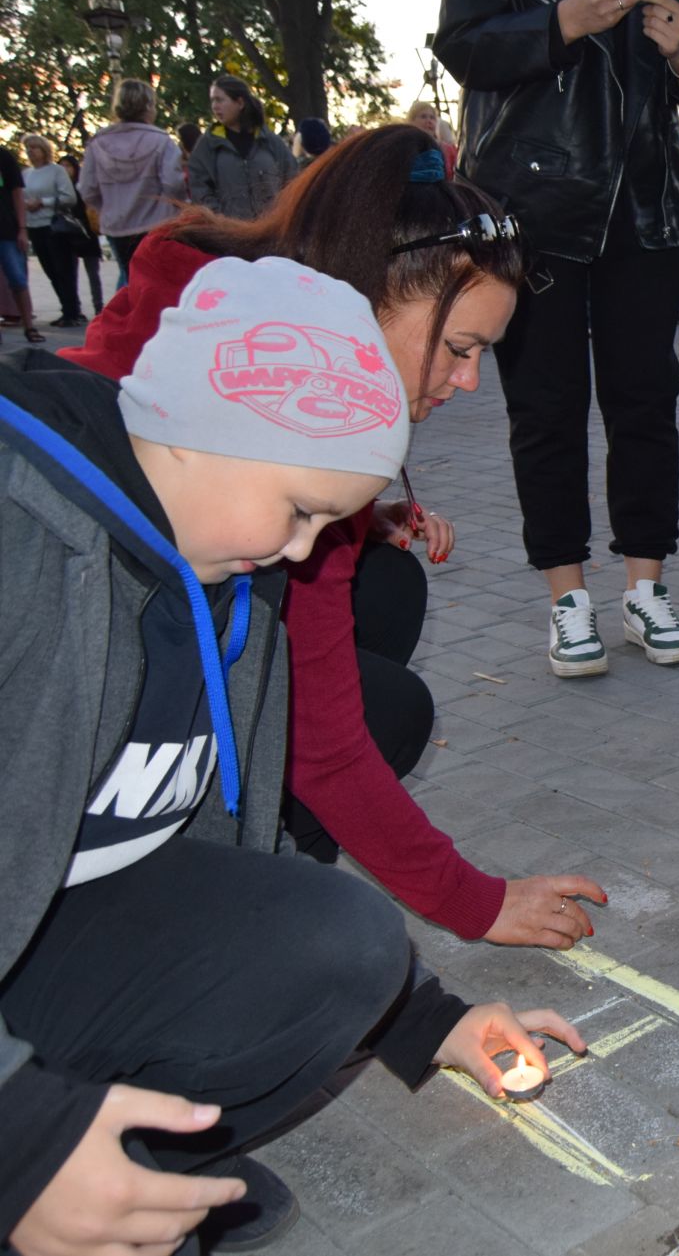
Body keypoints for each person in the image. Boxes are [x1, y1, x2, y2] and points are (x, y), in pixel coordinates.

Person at [0, 255, 584, 1256]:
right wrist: (25, 1139)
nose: (310, 553)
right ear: (197, 438)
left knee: (342, 942)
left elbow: (235, 845)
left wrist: (425, 1020)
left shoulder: (234, 573)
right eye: (302, 510)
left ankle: (131, 1149)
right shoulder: (27, 550)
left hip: (53, 930)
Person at [62, 124, 607, 949]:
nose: (466, 381)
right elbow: (327, 742)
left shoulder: (263, 338)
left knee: (384, 586)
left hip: (112, 657)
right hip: (59, 727)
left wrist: (356, 517)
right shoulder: (247, 409)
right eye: (460, 349)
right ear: (371, 292)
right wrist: (475, 901)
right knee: (381, 712)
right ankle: (213, 896)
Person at [438, 0, 679, 679]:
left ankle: (645, 589)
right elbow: (461, 47)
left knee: (645, 400)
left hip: (644, 199)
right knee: (545, 405)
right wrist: (558, 24)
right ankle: (567, 596)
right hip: (531, 199)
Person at [77, 79, 180, 291]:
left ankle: (125, 319)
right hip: (156, 223)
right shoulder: (161, 141)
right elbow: (173, 185)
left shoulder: (98, 143)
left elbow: (87, 188)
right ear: (149, 106)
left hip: (117, 225)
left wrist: (107, 207)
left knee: (127, 274)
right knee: (156, 277)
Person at [188, 75, 297, 220]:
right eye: (212, 100)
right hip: (229, 234)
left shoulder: (270, 141)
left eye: (220, 100)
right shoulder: (207, 146)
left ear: (239, 103)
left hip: (271, 231)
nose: (214, 106)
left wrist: (281, 214)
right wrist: (218, 218)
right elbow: (199, 189)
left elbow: (292, 180)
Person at [19, 135, 86, 329]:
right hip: (34, 226)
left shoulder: (56, 171)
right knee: (50, 270)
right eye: (28, 148)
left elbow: (69, 197)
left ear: (44, 150)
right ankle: (66, 308)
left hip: (54, 225)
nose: (31, 151)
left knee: (63, 269)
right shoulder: (26, 174)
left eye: (34, 147)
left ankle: (72, 311)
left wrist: (43, 202)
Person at [0, 144, 40, 345]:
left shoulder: (4, 156)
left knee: (17, 278)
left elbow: (17, 192)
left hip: (6, 229)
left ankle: (29, 327)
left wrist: (22, 229)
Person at [57, 155, 106, 316]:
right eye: (61, 165)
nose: (65, 169)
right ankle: (74, 307)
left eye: (68, 165)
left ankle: (99, 307)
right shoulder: (59, 188)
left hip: (87, 234)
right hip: (68, 234)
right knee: (70, 273)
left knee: (93, 272)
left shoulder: (82, 187)